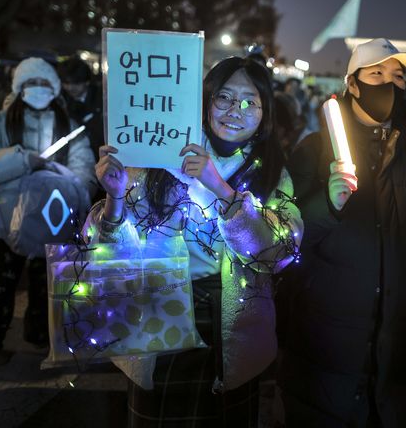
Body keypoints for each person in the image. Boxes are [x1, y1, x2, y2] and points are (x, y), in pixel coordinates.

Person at [86, 56, 302, 427]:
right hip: (159, 318)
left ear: (265, 114)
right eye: (224, 97)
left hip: (233, 329)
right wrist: (115, 198)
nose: (236, 110)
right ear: (204, 101)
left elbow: (277, 253)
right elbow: (105, 250)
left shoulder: (271, 172)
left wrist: (218, 187)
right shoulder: (157, 156)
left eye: (250, 101)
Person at [278, 38, 406, 426]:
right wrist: (326, 204)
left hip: (401, 341)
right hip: (326, 337)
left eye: (397, 76)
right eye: (376, 74)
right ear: (352, 84)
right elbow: (283, 236)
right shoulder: (314, 150)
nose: (388, 84)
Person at [0, 57, 96, 355]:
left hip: (51, 220)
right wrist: (23, 160)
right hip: (1, 220)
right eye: (31, 83)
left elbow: (84, 167)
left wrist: (73, 188)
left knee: (45, 288)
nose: (38, 89)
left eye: (44, 83)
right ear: (19, 87)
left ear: (55, 88)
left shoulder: (68, 124)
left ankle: (40, 337)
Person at [57, 56, 104, 160]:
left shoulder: (102, 97)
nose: (70, 88)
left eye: (76, 83)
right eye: (66, 83)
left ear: (87, 81)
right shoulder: (61, 101)